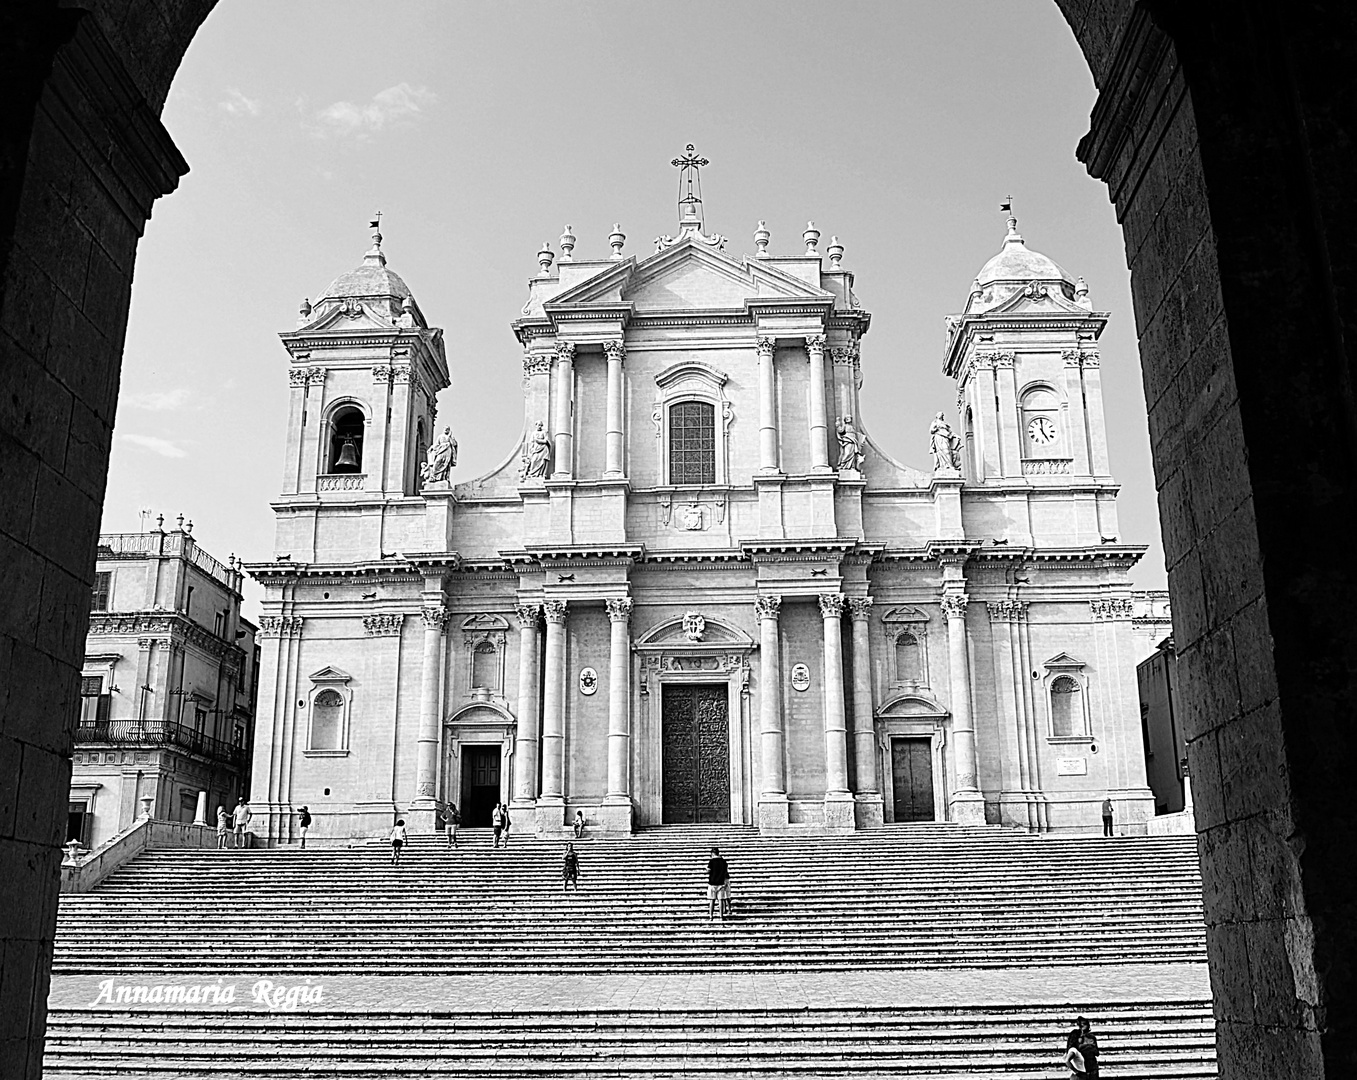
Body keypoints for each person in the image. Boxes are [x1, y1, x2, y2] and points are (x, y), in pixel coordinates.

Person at [706, 846, 731, 921]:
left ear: (713, 853)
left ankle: (711, 916)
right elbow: (725, 871)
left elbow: (709, 871)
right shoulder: (723, 861)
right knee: (721, 900)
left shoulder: (711, 861)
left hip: (712, 882)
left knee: (712, 900)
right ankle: (721, 916)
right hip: (721, 882)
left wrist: (706, 870)